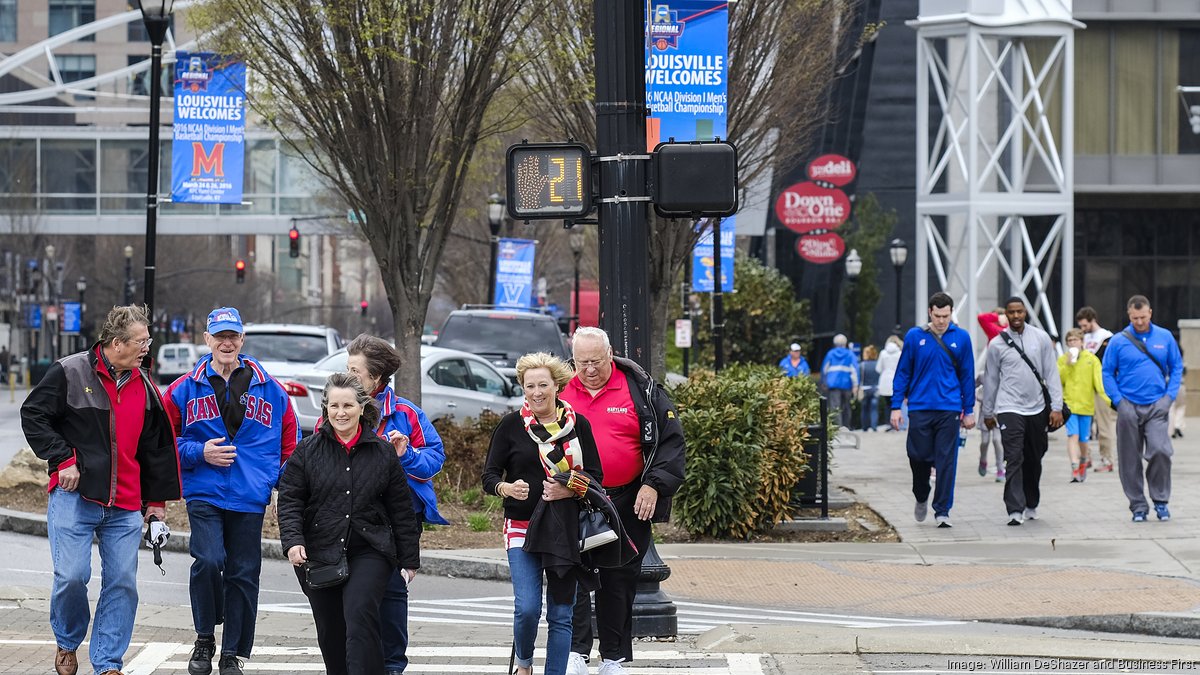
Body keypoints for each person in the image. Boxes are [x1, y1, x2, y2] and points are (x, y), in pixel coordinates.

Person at [21, 305, 182, 675]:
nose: (147, 348)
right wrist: (63, 459)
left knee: (123, 583)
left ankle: (108, 663)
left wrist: (155, 505)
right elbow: (34, 415)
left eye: (148, 340)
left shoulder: (145, 386)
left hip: (125, 503)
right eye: (141, 341)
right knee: (72, 576)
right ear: (116, 343)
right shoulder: (70, 371)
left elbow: (155, 448)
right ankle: (67, 640)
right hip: (75, 498)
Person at [163, 307, 299, 675]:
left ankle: (231, 653)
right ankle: (204, 638)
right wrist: (199, 452)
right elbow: (161, 443)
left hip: (249, 495)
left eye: (233, 336)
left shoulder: (272, 389)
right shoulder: (182, 390)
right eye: (219, 336)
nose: (226, 342)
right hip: (204, 491)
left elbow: (291, 444)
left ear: (242, 340)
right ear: (206, 340)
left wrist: (276, 483)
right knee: (208, 560)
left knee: (243, 572)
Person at [560, 327, 686, 675]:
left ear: (610, 354)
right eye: (581, 362)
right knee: (573, 574)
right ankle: (576, 652)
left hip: (627, 498)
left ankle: (614, 657)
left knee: (619, 580)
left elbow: (671, 442)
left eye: (596, 361)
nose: (588, 369)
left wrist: (654, 485)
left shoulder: (639, 389)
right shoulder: (561, 389)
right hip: (575, 496)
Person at [277, 372, 422, 675]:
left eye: (348, 406)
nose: (341, 413)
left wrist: (409, 560)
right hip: (319, 551)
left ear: (361, 407)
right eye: (334, 406)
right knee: (331, 631)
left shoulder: (382, 452)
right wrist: (293, 542)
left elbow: (400, 509)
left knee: (360, 617)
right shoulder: (308, 450)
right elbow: (290, 500)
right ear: (325, 409)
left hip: (370, 549)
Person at [481, 352, 604, 675]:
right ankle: (524, 663)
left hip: (565, 530)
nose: (537, 392)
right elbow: (489, 477)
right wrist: (506, 489)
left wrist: (569, 488)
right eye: (529, 386)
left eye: (543, 385)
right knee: (527, 608)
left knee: (562, 614)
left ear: (556, 386)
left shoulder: (579, 426)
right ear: (523, 389)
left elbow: (596, 476)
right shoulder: (510, 426)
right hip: (521, 526)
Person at [343, 334, 448, 675]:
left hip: (398, 517)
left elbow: (435, 459)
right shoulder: (339, 411)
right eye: (347, 369)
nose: (348, 377)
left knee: (390, 590)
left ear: (376, 378)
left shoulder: (406, 413)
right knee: (353, 596)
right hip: (350, 518)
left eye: (356, 372)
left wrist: (408, 454)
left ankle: (392, 665)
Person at [889, 292, 975, 528]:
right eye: (937, 316)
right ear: (930, 312)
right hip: (920, 407)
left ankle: (942, 510)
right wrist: (896, 406)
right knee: (917, 456)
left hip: (949, 408)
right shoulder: (915, 337)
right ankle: (921, 493)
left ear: (951, 313)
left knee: (947, 460)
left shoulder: (962, 338)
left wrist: (969, 409)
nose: (941, 321)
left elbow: (967, 374)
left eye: (946, 316)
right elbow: (903, 372)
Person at [981, 297, 1065, 526]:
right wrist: (987, 412)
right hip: (1009, 408)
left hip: (1037, 408)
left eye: (1019, 311)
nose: (1016, 316)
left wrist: (1056, 407)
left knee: (1034, 458)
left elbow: (1052, 374)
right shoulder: (997, 345)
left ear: (1025, 312)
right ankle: (1014, 509)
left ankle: (1031, 502)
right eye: (1011, 312)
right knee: (1014, 457)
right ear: (1005, 315)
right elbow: (991, 380)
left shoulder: (1041, 338)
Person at [1101, 295, 1183, 523]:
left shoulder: (1164, 337)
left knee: (1160, 451)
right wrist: (1119, 401)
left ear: (1150, 313)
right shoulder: (1118, 341)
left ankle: (1160, 500)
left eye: (1143, 317)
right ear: (1129, 315)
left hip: (1157, 405)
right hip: (1128, 407)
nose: (1139, 322)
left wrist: (1168, 397)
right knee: (1129, 459)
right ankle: (1138, 505)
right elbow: (1107, 371)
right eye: (1135, 318)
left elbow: (1176, 366)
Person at [1057, 328, 1109, 484]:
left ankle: (1083, 460)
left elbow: (1099, 384)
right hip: (1069, 405)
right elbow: (1058, 381)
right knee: (1072, 435)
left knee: (1083, 440)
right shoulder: (1062, 360)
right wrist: (1067, 365)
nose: (1073, 343)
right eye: (1070, 341)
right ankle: (1074, 467)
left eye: (1075, 340)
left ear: (1082, 342)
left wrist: (1110, 402)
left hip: (1086, 406)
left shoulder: (1091, 360)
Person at [1076, 306, 1115, 472]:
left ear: (1093, 320)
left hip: (1101, 387)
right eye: (1081, 326)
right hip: (1084, 386)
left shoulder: (1107, 338)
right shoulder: (1081, 339)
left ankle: (1107, 459)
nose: (1083, 329)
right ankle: (1086, 456)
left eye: (1085, 325)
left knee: (1103, 425)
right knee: (1083, 424)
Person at [822, 334, 859, 429]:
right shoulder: (850, 354)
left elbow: (824, 369)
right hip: (847, 384)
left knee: (835, 407)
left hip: (833, 384)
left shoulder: (830, 354)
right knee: (846, 407)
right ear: (845, 343)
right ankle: (846, 427)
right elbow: (854, 370)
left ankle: (837, 428)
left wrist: (824, 382)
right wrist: (855, 385)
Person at [876, 336, 903, 431]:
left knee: (887, 404)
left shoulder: (883, 353)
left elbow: (878, 368)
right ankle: (897, 424)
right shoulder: (900, 353)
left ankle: (888, 423)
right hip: (896, 380)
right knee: (896, 403)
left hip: (885, 381)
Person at [859, 345, 880, 431]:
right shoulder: (877, 364)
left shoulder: (862, 365)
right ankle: (874, 426)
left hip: (865, 389)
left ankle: (865, 427)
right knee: (874, 408)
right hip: (876, 388)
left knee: (865, 408)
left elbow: (860, 377)